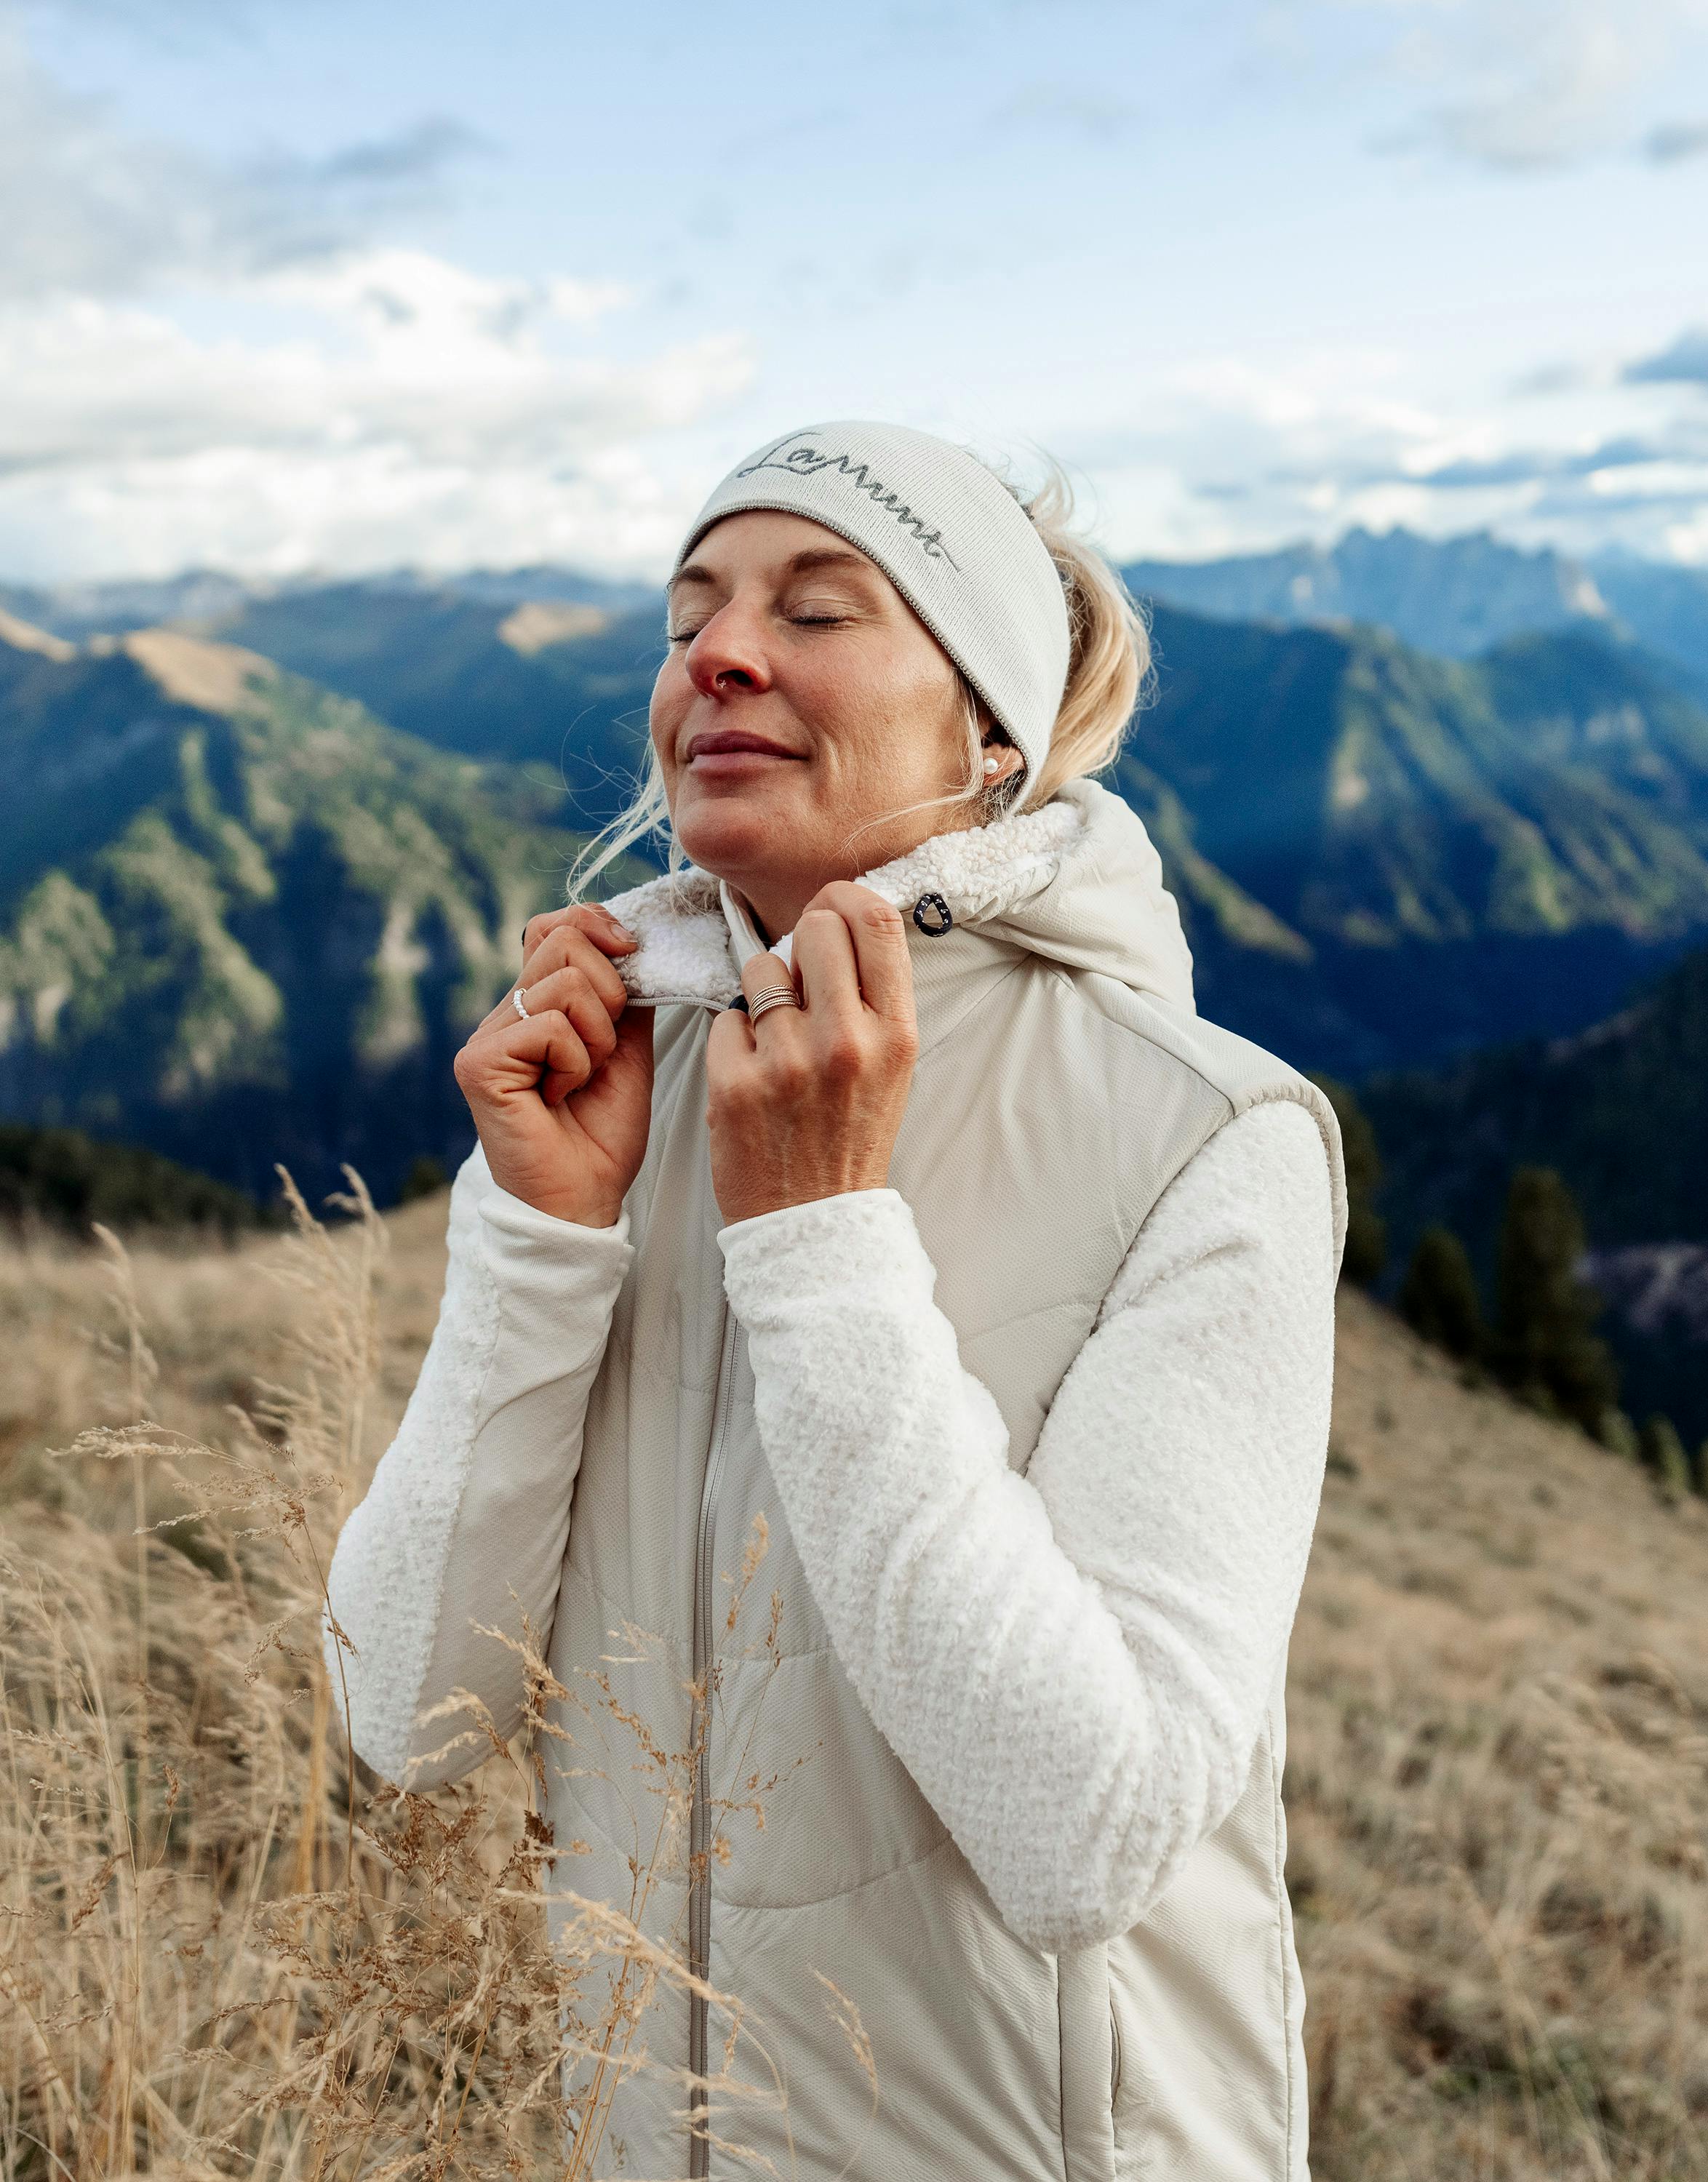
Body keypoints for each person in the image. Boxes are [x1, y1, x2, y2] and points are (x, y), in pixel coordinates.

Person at [324, 420, 1347, 2181]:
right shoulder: (625, 1085)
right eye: (689, 611)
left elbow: (1087, 1835)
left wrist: (818, 1234)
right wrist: (539, 1233)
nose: (720, 651)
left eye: (818, 608)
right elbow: (404, 1713)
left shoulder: (1206, 1134)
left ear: (993, 728)